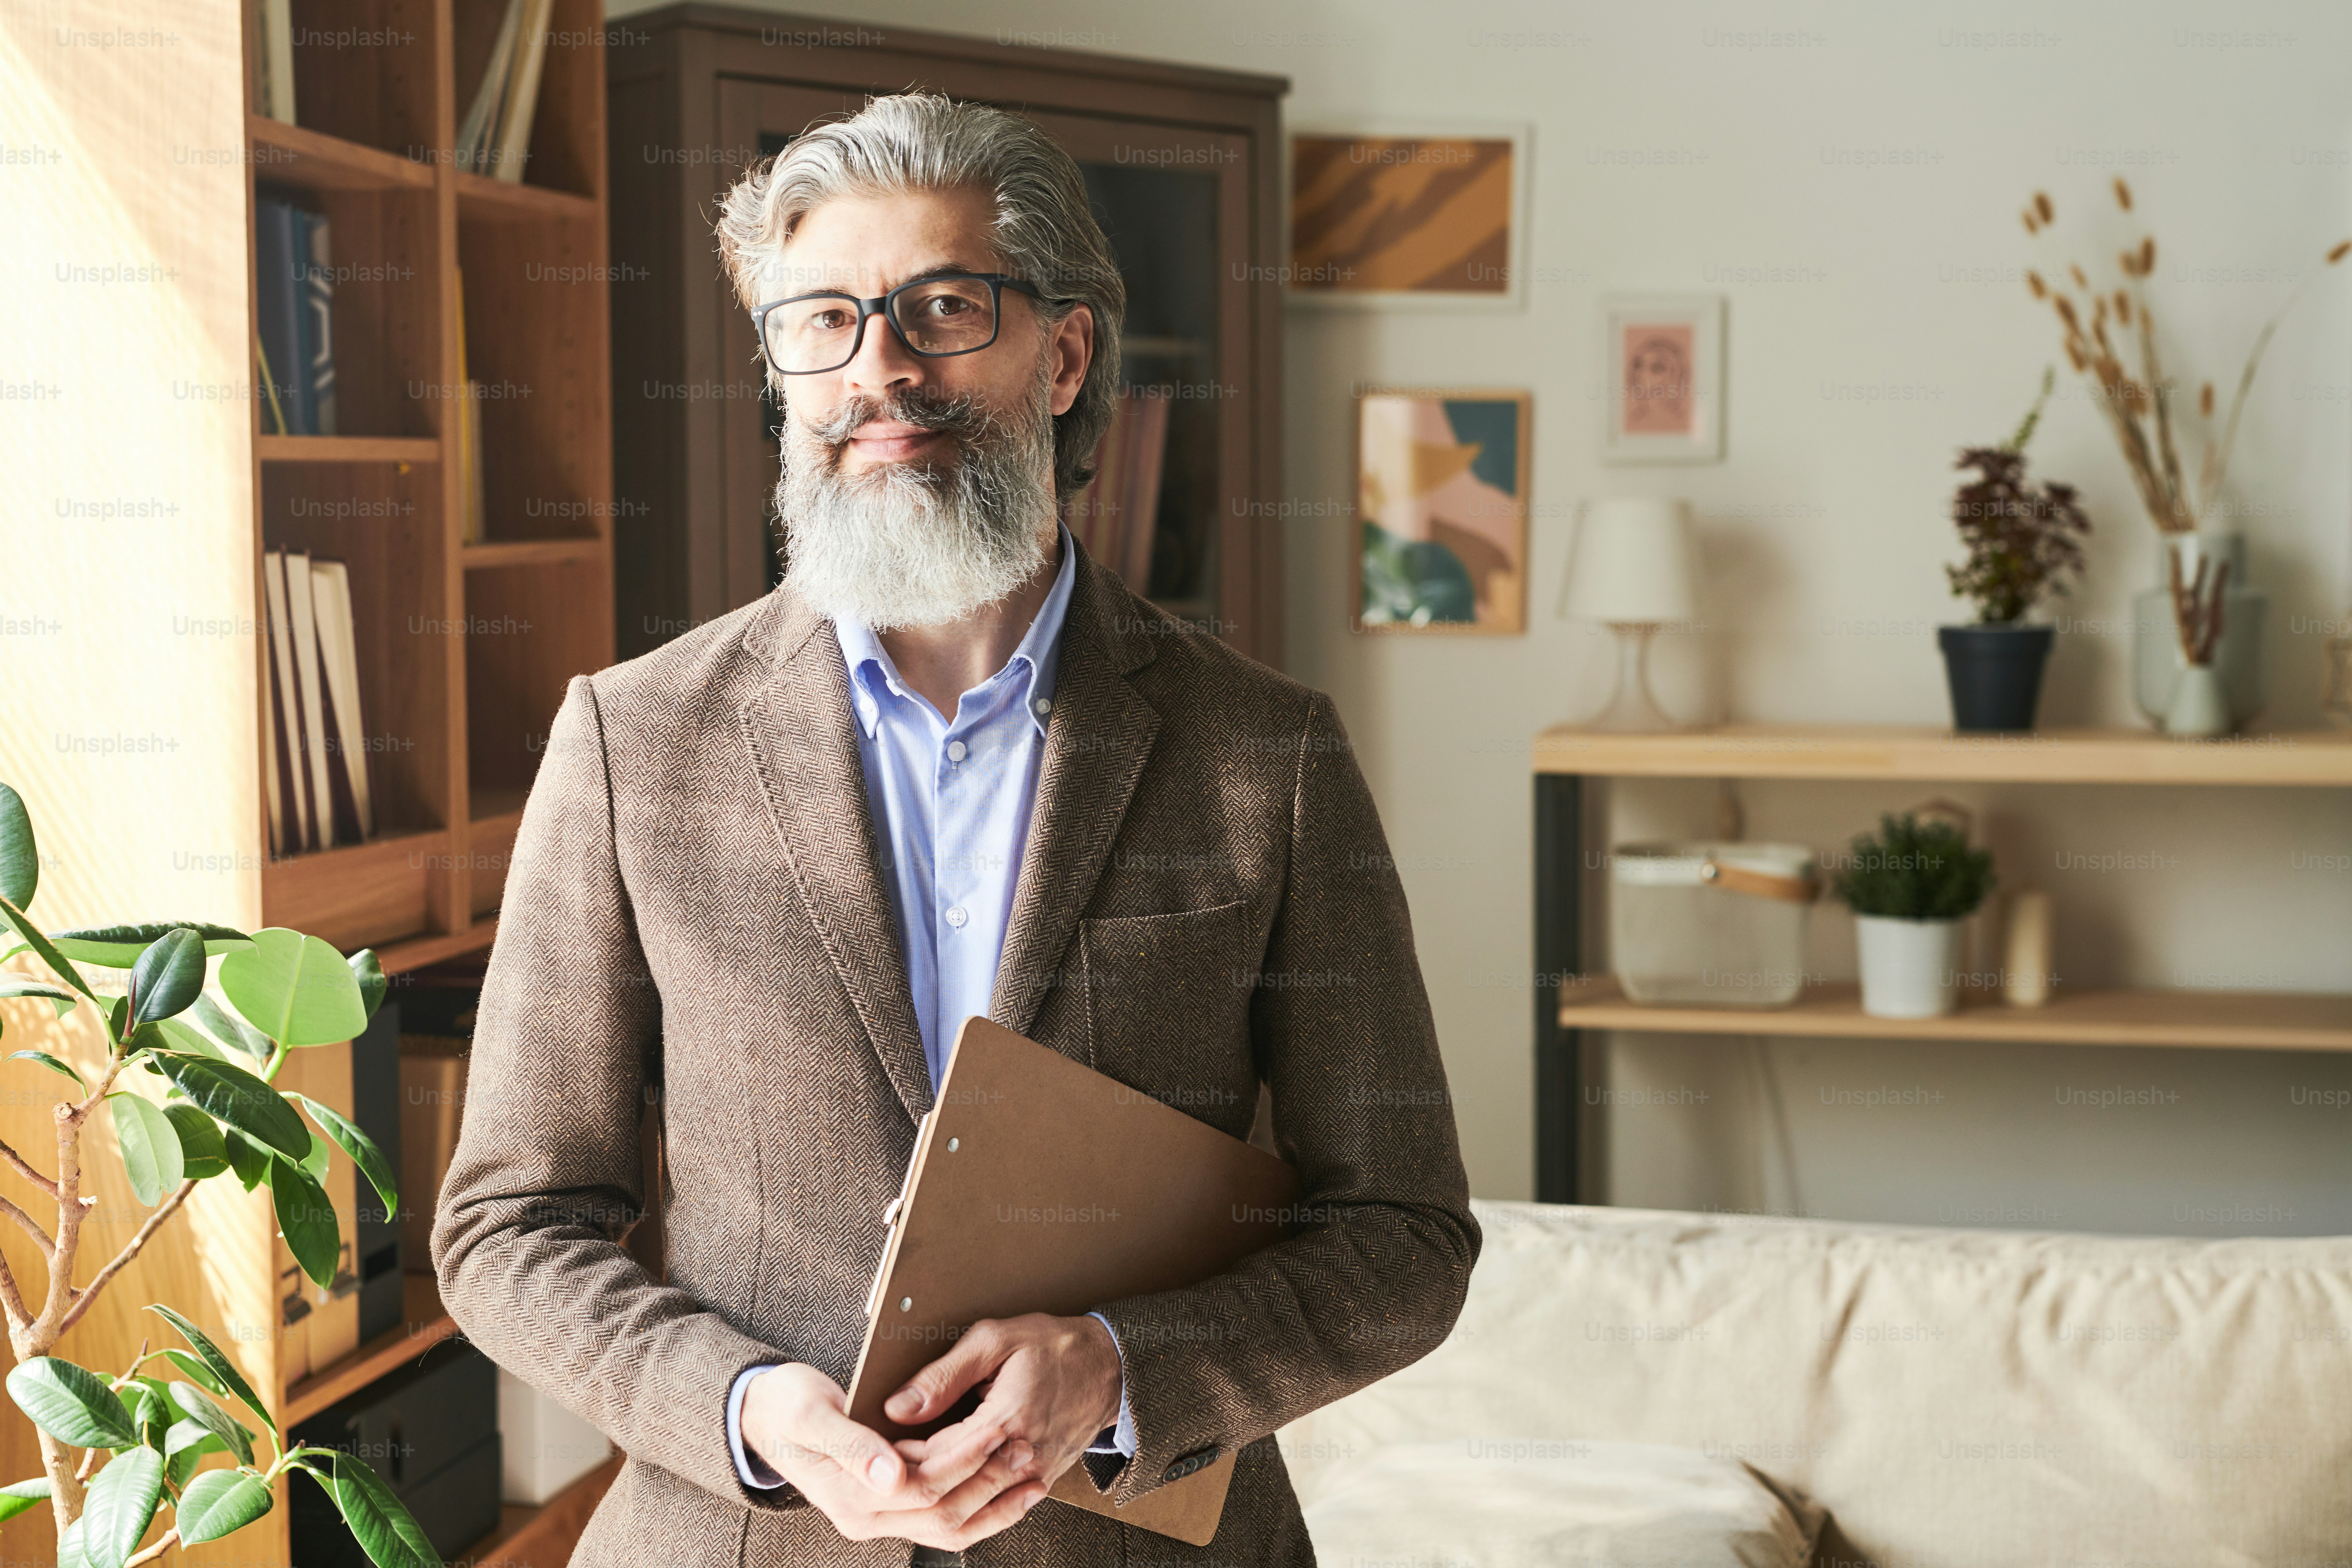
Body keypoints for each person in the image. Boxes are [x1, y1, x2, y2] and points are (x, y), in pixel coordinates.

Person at [433, 90, 1477, 1568]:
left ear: (1062, 354)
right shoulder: (632, 741)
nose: (882, 370)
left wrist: (1121, 1368)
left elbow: (1407, 1236)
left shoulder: (1268, 754)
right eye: (827, 322)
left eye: (941, 308)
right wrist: (748, 1411)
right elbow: (508, 1229)